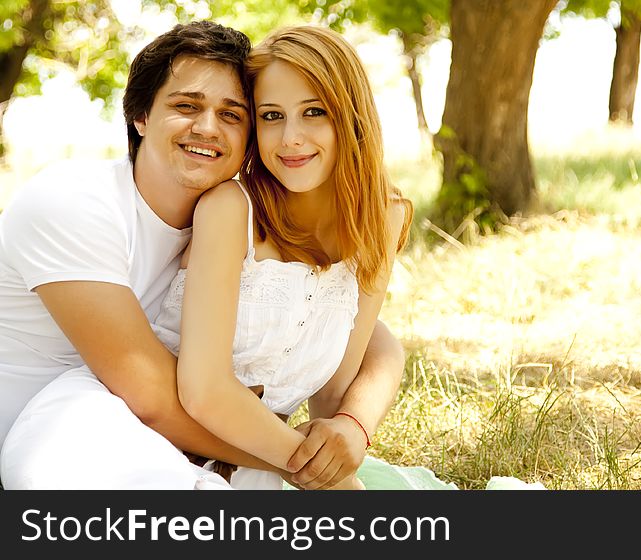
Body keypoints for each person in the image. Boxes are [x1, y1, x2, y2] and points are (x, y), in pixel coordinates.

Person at [0, 21, 404, 489]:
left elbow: (359, 333)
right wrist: (313, 468)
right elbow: (152, 396)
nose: (208, 128)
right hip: (68, 434)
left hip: (214, 446)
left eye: (233, 114)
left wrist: (353, 424)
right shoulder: (74, 204)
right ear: (141, 116)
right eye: (186, 106)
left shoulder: (230, 217)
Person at [151, 25, 413, 490]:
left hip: (265, 464)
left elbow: (335, 388)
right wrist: (324, 477)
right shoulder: (231, 210)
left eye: (314, 112)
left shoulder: (383, 217)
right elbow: (205, 390)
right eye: (271, 116)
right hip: (156, 444)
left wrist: (351, 429)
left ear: (351, 117)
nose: (290, 138)